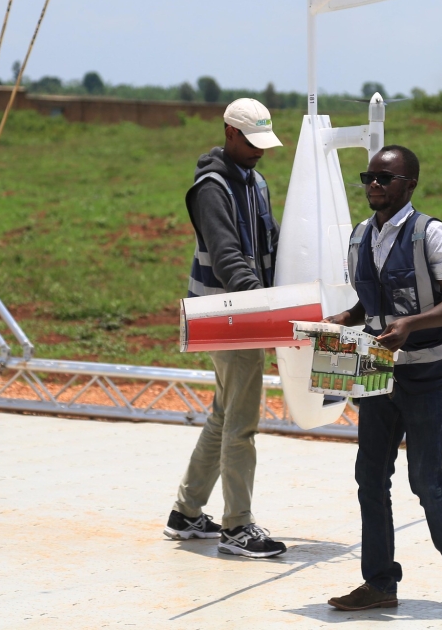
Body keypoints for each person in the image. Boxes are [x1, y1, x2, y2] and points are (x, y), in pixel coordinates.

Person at [325, 145, 442, 610]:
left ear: (409, 185)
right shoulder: (358, 238)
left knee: (425, 479)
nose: (373, 184)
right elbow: (367, 302)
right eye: (368, 176)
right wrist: (345, 319)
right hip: (376, 367)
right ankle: (379, 583)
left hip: (428, 373)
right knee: (370, 477)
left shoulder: (430, 235)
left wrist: (411, 324)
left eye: (384, 178)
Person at [163, 98, 287, 559]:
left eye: (264, 144)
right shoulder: (212, 188)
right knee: (242, 422)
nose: (260, 151)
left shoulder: (256, 182)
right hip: (227, 313)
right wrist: (265, 306)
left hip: (245, 309)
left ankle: (187, 512)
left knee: (224, 412)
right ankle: (238, 527)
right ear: (230, 133)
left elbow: (269, 242)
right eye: (252, 143)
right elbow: (228, 255)